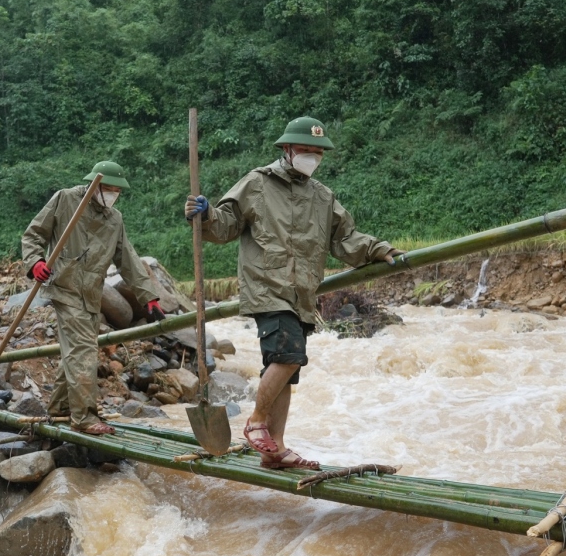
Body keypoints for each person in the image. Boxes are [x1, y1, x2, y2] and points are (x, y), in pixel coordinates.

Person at [185, 116, 401, 470]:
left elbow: (345, 239)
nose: (312, 158)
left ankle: (276, 451)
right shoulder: (256, 184)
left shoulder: (322, 196)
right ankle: (255, 422)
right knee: (288, 356)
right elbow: (224, 226)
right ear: (286, 149)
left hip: (302, 294)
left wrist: (378, 249)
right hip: (267, 287)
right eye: (305, 150)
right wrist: (205, 215)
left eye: (317, 153)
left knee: (285, 369)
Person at [23, 160, 166, 435]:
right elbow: (33, 235)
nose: (113, 195)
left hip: (91, 294)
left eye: (117, 191)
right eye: (108, 189)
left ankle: (60, 408)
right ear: (94, 185)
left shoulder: (115, 219)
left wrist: (149, 296)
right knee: (84, 351)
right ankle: (84, 418)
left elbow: (128, 258)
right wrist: (35, 262)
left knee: (76, 350)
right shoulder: (66, 200)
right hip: (64, 288)